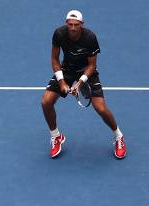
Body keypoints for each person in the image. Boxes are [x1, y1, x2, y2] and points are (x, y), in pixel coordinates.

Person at [41, 10, 126, 160]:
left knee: (100, 108)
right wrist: (62, 82)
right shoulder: (59, 34)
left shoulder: (90, 37)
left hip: (86, 71)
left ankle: (118, 136)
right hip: (67, 69)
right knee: (46, 102)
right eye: (70, 25)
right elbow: (55, 59)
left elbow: (92, 65)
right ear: (66, 23)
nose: (73, 28)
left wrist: (79, 83)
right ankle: (56, 136)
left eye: (76, 25)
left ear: (82, 24)